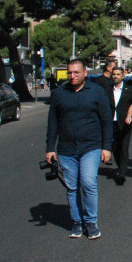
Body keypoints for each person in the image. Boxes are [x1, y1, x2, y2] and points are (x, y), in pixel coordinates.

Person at [45, 59, 113, 239]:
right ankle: (76, 221)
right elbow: (53, 122)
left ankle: (91, 222)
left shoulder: (97, 92)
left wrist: (107, 147)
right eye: (69, 73)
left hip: (91, 146)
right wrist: (50, 147)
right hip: (66, 149)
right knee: (71, 187)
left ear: (85, 73)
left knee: (89, 183)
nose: (72, 76)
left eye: (76, 72)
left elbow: (106, 121)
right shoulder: (59, 93)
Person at [110, 67, 132, 185]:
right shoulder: (107, 90)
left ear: (123, 76)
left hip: (125, 122)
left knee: (123, 146)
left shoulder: (129, 90)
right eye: (114, 74)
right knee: (114, 147)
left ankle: (122, 173)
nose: (115, 76)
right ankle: (119, 165)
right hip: (111, 122)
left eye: (118, 74)